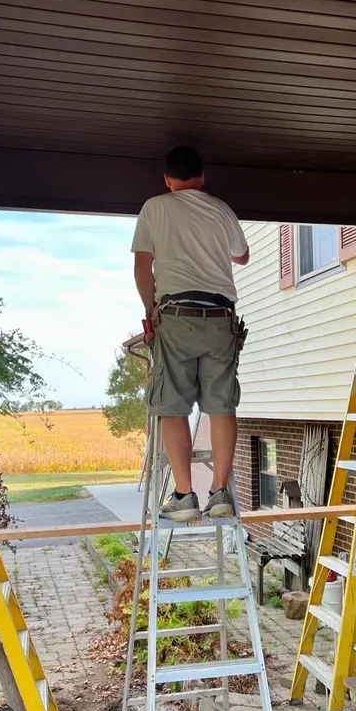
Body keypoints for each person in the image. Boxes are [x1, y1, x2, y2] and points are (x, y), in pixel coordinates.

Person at [131, 146, 249, 522]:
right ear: (203, 177)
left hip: (176, 315)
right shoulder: (220, 208)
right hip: (220, 317)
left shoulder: (154, 207)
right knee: (221, 405)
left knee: (172, 406)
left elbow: (141, 266)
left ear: (168, 180)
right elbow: (242, 256)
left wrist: (151, 312)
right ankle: (220, 493)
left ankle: (184, 495)